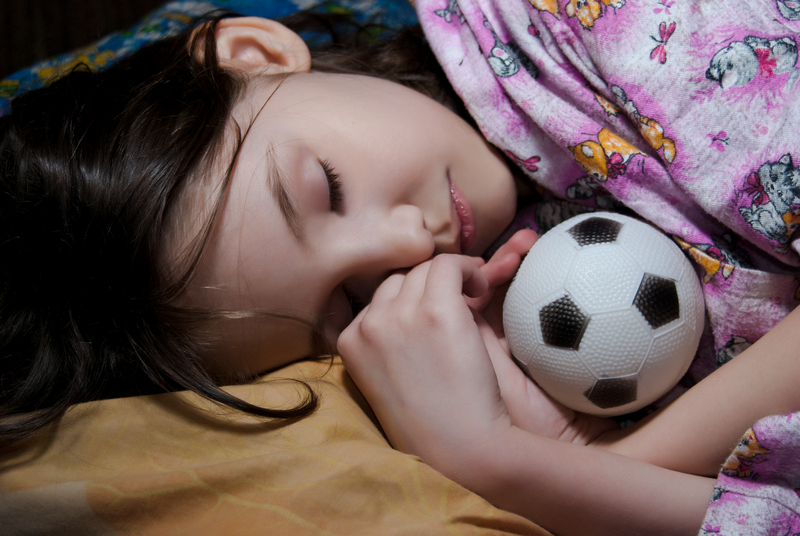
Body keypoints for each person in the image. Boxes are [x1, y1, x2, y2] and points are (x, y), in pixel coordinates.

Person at [0, 4, 798, 535]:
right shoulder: (490, 326)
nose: (407, 244)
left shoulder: (597, 32)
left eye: (328, 189)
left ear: (255, 55)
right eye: (353, 298)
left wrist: (549, 470)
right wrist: (556, 443)